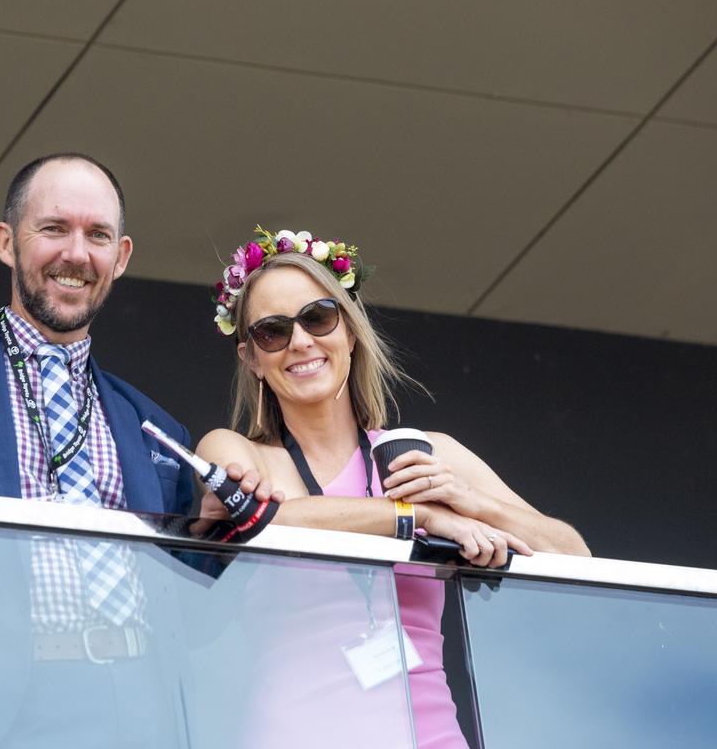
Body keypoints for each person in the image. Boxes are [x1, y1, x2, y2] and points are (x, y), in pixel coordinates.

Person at [0, 154, 268, 749]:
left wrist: (219, 542)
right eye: (54, 228)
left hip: (143, 706)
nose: (77, 253)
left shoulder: (152, 425)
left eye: (98, 235)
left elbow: (192, 618)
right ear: (6, 241)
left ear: (122, 257)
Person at [197, 227, 590, 748]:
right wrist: (419, 517)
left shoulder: (428, 455)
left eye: (318, 317)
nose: (301, 342)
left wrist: (469, 501)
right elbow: (262, 518)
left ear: (351, 330)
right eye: (273, 331)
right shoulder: (236, 450)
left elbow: (576, 557)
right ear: (252, 359)